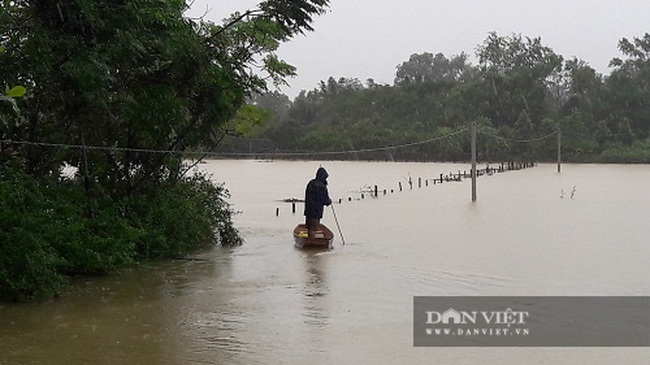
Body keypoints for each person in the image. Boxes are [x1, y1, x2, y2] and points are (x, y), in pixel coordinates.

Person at [304, 167, 332, 238]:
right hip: (316, 211)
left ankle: (309, 240)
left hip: (308, 210)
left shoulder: (311, 183)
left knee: (309, 228)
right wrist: (329, 201)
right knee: (314, 228)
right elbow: (325, 200)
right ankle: (312, 241)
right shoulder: (322, 187)